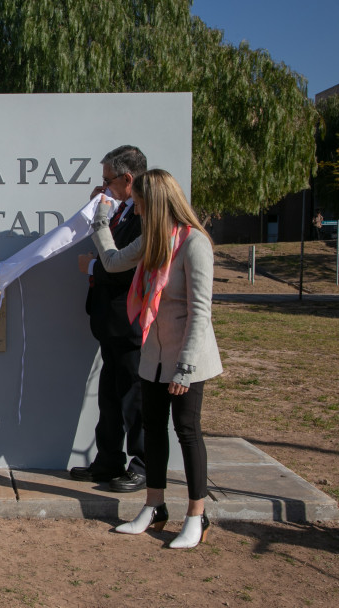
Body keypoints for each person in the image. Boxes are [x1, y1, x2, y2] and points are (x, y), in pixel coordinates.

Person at [91, 169, 222, 549]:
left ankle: (197, 515)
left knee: (187, 431)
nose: (139, 210)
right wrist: (101, 218)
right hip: (155, 354)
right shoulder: (153, 240)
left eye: (142, 204)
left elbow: (200, 312)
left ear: (157, 201)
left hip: (186, 357)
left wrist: (186, 367)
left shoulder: (194, 244)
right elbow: (113, 261)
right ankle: (154, 507)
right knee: (153, 429)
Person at [71, 145, 148, 493]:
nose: (102, 188)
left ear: (128, 179)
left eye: (107, 180)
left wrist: (90, 265)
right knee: (110, 396)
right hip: (109, 322)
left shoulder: (146, 216)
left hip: (130, 322)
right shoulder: (120, 210)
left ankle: (142, 465)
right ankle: (108, 461)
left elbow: (124, 267)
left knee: (135, 394)